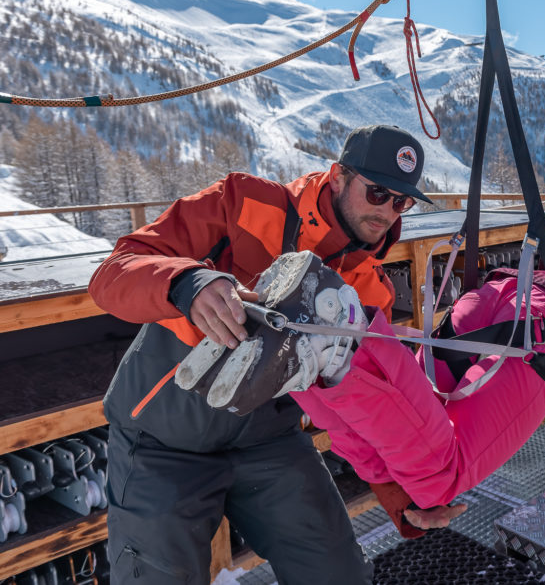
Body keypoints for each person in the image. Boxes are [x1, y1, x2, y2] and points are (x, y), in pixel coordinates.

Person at [89, 124, 431, 584]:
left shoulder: (370, 291)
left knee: (339, 574)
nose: (388, 211)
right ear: (337, 177)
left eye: (401, 201)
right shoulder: (243, 204)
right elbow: (114, 272)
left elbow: (361, 409)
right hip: (161, 441)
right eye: (376, 193)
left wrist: (398, 494)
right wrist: (186, 282)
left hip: (269, 438)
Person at [288, 250, 545, 538]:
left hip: (489, 303)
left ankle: (302, 357)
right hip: (535, 336)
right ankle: (334, 351)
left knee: (405, 418)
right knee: (440, 479)